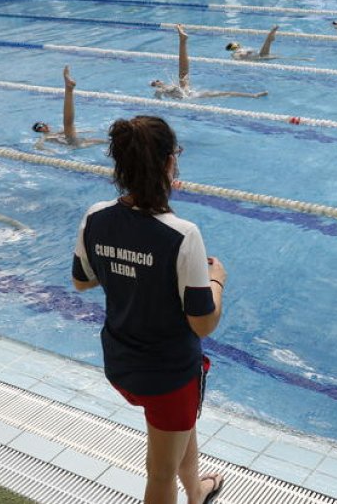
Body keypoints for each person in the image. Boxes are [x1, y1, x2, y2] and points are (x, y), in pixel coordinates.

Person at [72, 116, 226, 504]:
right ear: (168, 163)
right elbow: (203, 323)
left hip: (121, 364)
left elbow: (82, 279)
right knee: (159, 475)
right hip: (168, 377)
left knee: (180, 435)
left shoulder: (96, 216)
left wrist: (128, 270)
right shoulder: (181, 234)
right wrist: (218, 281)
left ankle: (196, 493)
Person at [151, 25, 267, 100]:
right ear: (155, 85)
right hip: (186, 95)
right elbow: (159, 98)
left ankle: (253, 95)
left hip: (191, 94)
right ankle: (182, 41)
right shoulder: (161, 89)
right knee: (183, 74)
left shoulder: (167, 86)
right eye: (155, 82)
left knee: (225, 93)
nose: (157, 81)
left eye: (156, 80)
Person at [33, 66, 107, 150]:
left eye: (44, 123)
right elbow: (38, 145)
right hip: (72, 143)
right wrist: (49, 151)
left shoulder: (54, 133)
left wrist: (88, 130)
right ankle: (69, 89)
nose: (45, 125)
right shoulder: (45, 136)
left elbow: (66, 131)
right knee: (69, 125)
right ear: (39, 130)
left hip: (78, 141)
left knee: (102, 141)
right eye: (42, 125)